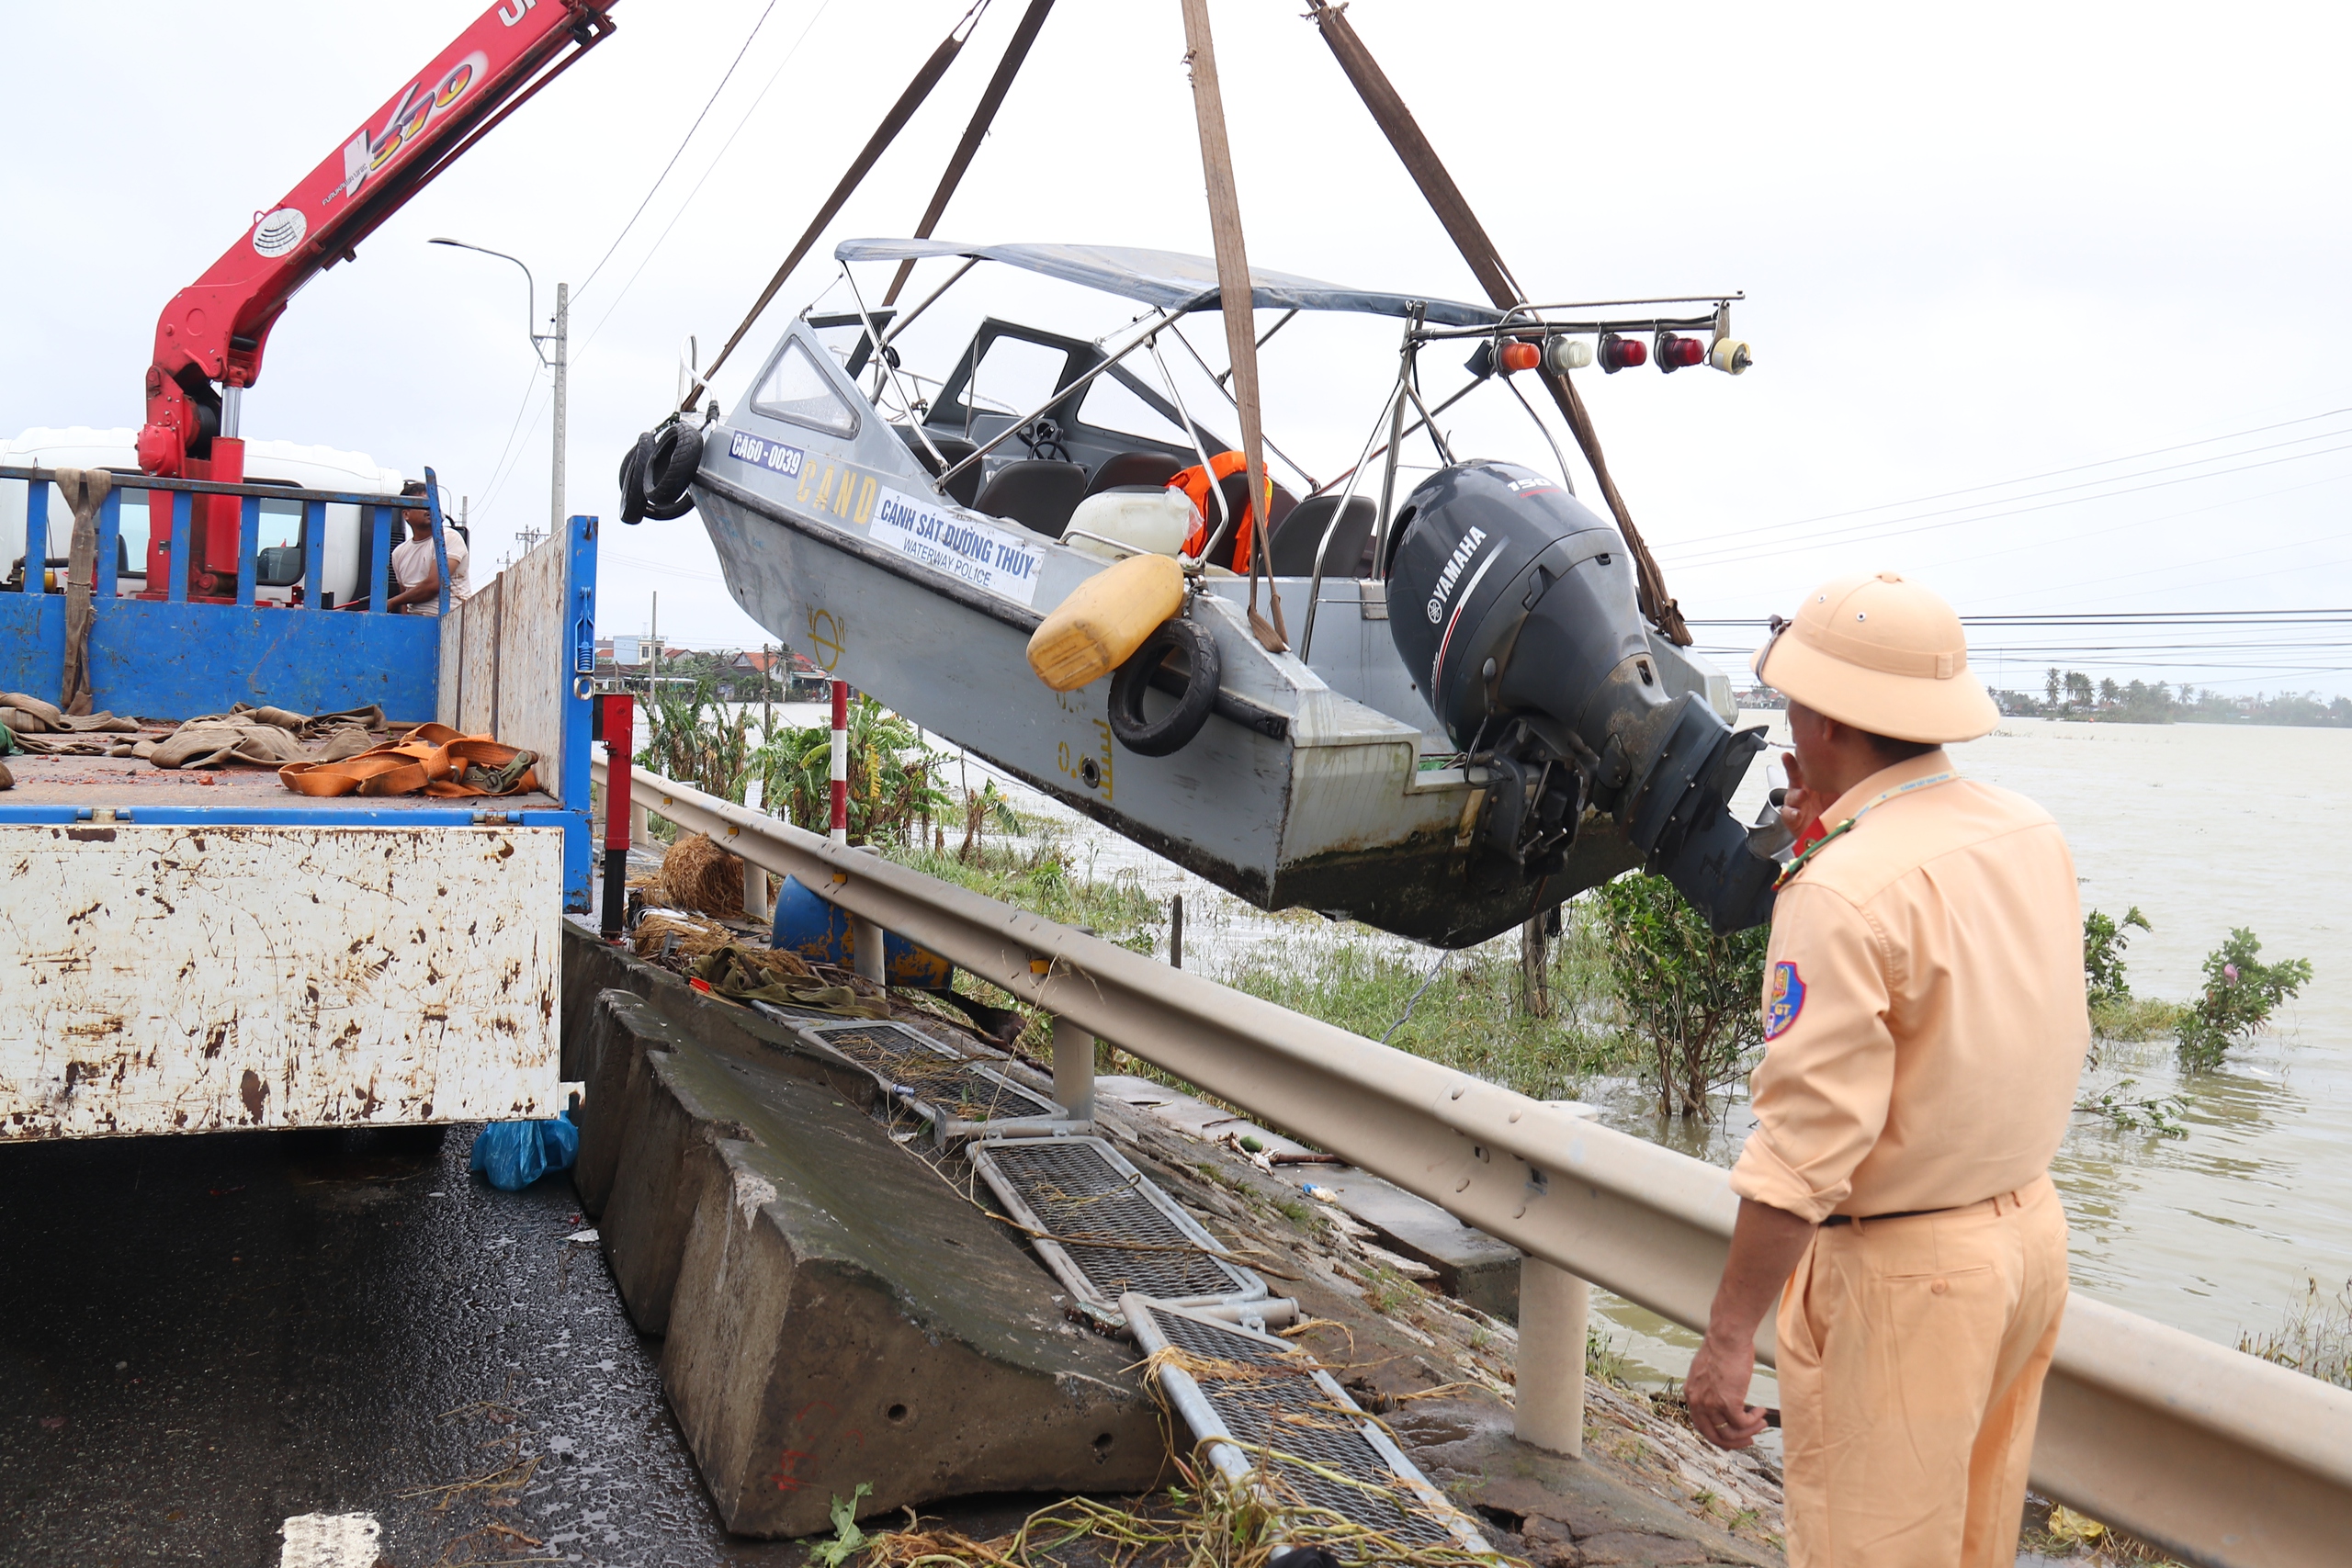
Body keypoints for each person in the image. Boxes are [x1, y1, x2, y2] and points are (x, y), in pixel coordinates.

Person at [1684, 571, 2088, 1568]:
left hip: (1909, 1280)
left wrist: (1729, 1336)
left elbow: (1807, 1145)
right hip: (2026, 1240)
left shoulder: (1840, 886)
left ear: (1823, 719)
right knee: (1972, 1542)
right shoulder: (2027, 828)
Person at [381, 481, 469, 615]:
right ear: (406, 514)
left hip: (452, 621)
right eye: (422, 504)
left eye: (431, 504)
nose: (429, 508)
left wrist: (392, 602)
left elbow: (433, 586)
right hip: (415, 622)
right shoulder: (399, 553)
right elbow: (404, 598)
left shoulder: (448, 538)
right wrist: (404, 623)